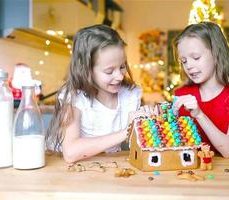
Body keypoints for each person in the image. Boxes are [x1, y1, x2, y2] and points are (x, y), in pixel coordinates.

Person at [46, 24, 154, 163]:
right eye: (109, 71)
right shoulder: (75, 97)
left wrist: (147, 122)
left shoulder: (130, 95)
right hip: (71, 170)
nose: (120, 76)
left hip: (105, 167)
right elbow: (71, 153)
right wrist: (127, 130)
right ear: (87, 70)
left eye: (122, 67)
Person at [172, 22, 229, 158]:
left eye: (196, 57)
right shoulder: (181, 95)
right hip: (201, 172)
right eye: (184, 61)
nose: (188, 66)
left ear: (216, 53)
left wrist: (200, 114)